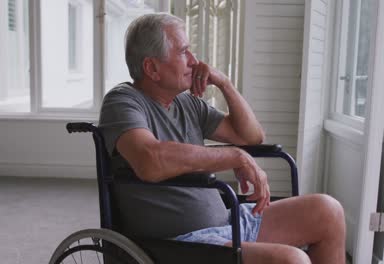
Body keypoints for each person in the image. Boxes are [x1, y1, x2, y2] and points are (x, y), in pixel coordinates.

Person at [99, 13, 346, 264]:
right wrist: (234, 156)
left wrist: (225, 83)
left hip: (228, 221)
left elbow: (250, 136)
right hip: (182, 242)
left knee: (328, 211)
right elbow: (149, 160)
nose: (195, 61)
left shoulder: (187, 103)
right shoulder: (122, 101)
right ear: (152, 68)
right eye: (184, 51)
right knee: (292, 260)